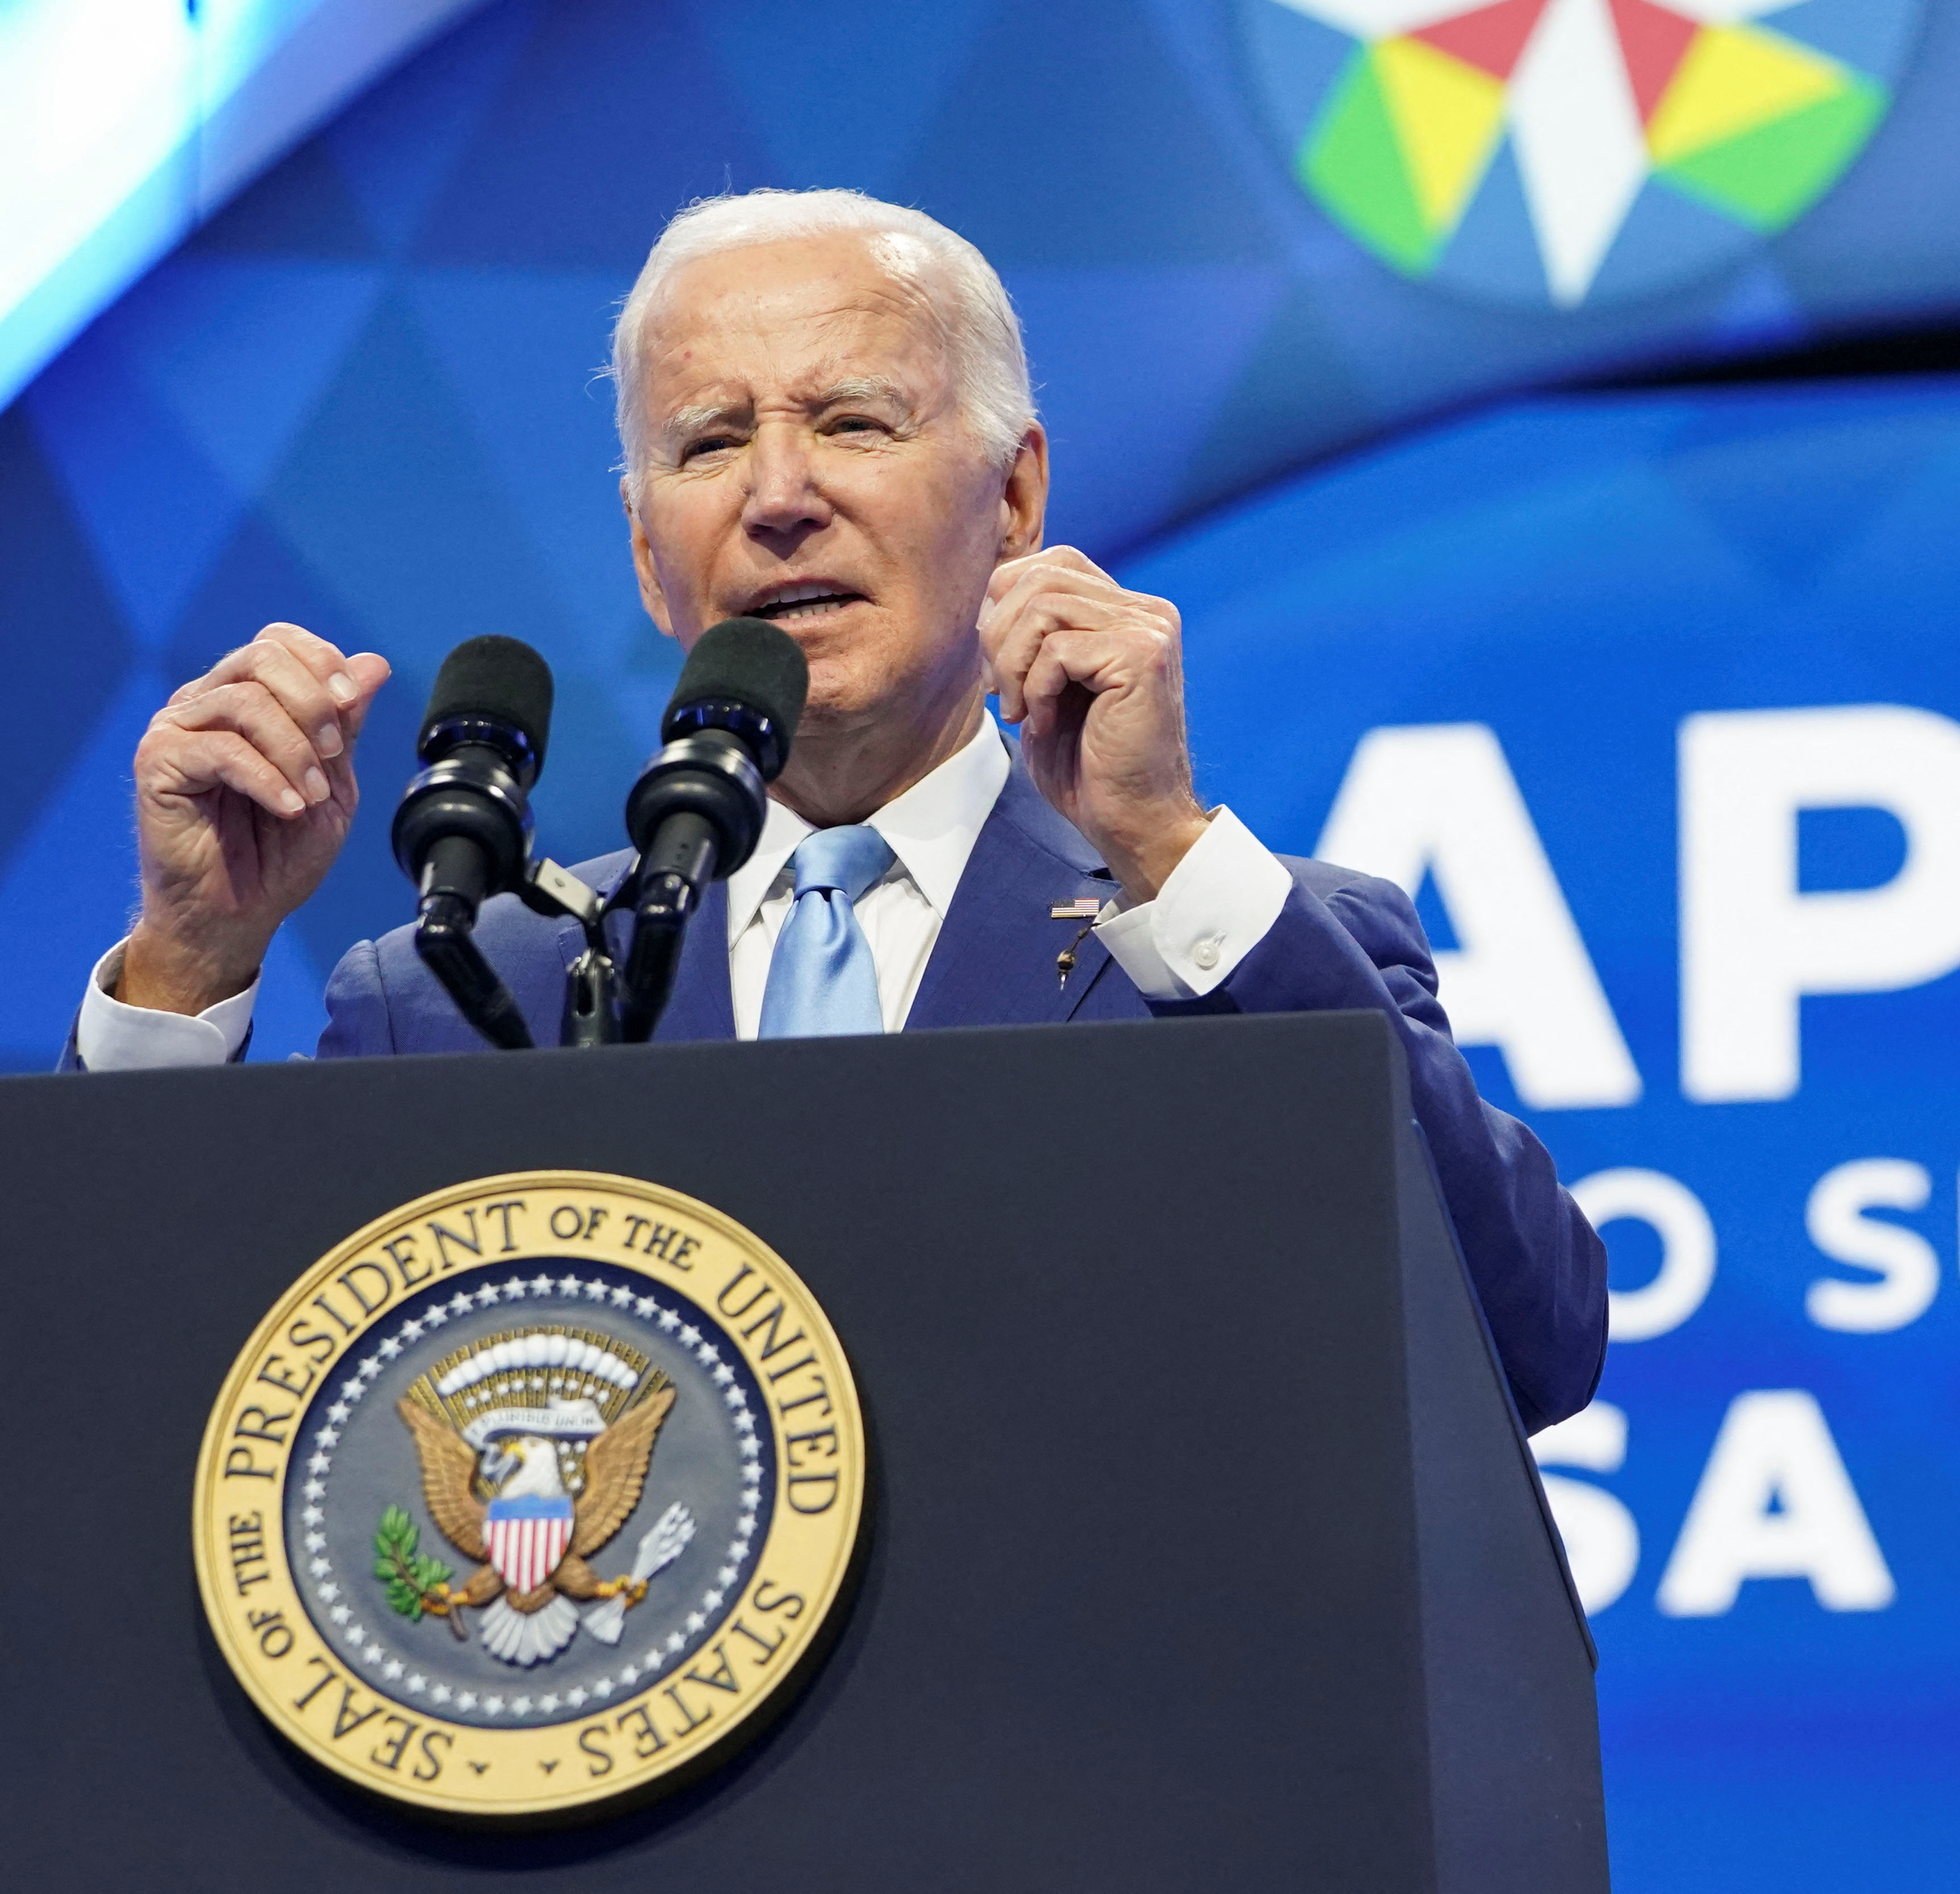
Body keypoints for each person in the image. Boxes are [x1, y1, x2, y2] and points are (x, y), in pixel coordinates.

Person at [68, 188, 1605, 1432]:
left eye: (854, 422)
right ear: (646, 548)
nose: (780, 493)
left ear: (1013, 497)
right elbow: (146, 1413)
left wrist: (1163, 847)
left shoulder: (1243, 947)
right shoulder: (466, 994)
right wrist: (189, 964)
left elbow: (1522, 1341)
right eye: (711, 441)